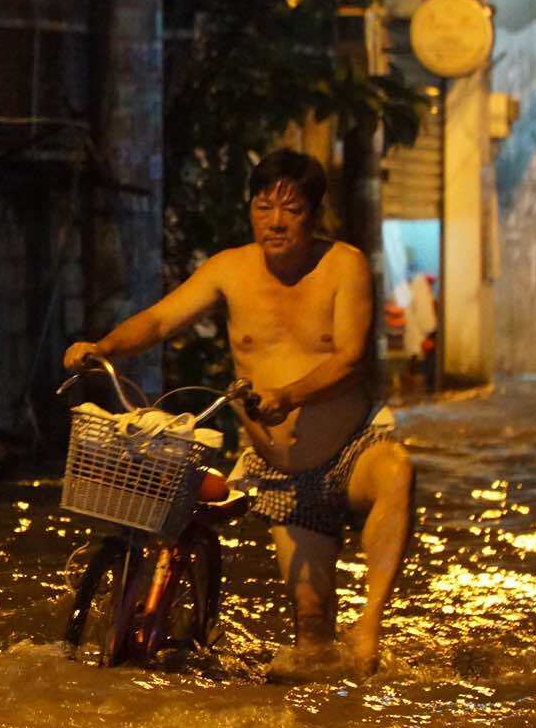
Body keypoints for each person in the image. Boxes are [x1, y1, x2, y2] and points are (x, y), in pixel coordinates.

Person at [62, 149, 414, 673]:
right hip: (281, 472)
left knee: (396, 470)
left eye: (291, 209)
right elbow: (160, 321)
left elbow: (350, 359)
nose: (275, 221)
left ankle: (370, 625)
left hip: (348, 448)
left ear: (314, 214)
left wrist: (289, 394)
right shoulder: (229, 268)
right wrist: (104, 347)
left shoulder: (345, 264)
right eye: (263, 206)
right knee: (313, 643)